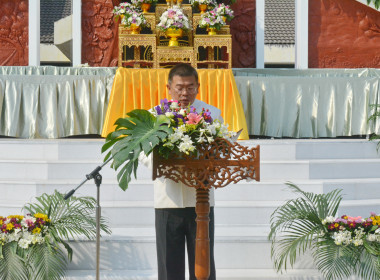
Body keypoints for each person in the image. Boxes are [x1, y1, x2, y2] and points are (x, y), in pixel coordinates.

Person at [154, 63, 222, 280]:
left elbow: (221, 151)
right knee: (169, 265)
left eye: (190, 87)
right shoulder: (156, 116)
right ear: (169, 88)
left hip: (201, 200)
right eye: (179, 87)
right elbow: (147, 155)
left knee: (203, 265)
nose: (185, 93)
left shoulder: (212, 114)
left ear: (198, 87)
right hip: (168, 199)